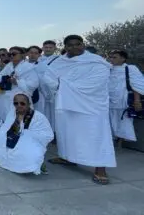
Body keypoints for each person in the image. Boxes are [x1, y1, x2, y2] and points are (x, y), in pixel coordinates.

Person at [44, 35, 116, 185]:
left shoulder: (96, 61)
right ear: (65, 47)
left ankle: (100, 168)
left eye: (78, 44)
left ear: (83, 45)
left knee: (95, 134)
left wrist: (64, 85)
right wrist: (61, 86)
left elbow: (98, 81)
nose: (74, 48)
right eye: (70, 45)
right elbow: (48, 77)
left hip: (91, 105)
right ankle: (67, 157)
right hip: (66, 104)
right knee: (67, 132)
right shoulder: (60, 62)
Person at [0, 93, 53, 174]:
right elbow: (5, 129)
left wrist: (27, 135)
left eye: (22, 103)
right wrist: (18, 121)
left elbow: (48, 135)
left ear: (29, 104)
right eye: (16, 103)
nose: (19, 105)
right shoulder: (12, 113)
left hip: (29, 143)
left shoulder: (38, 117)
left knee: (30, 157)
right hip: (12, 140)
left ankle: (38, 164)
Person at [108, 50, 144, 146]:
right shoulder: (108, 69)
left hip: (124, 102)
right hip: (109, 102)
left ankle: (120, 143)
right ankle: (113, 142)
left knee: (124, 123)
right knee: (110, 122)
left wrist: (137, 101)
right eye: (110, 57)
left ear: (123, 58)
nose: (111, 59)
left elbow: (137, 86)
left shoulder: (130, 69)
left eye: (114, 57)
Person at [0, 46, 39, 121]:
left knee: (21, 120)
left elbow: (34, 84)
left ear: (22, 55)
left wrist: (18, 82)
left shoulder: (28, 67)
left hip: (21, 99)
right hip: (7, 99)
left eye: (14, 54)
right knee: (8, 120)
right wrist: (4, 78)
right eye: (9, 54)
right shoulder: (9, 66)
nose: (11, 56)